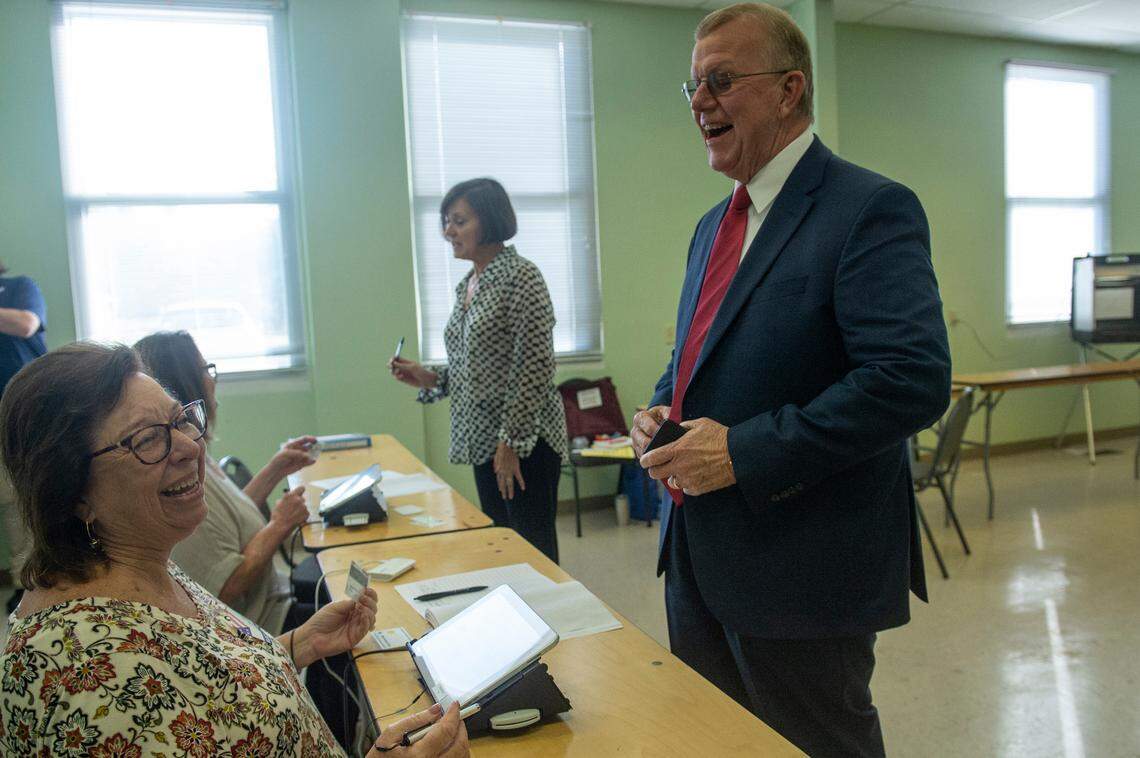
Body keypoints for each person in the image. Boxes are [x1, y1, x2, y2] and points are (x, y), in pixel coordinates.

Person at [631, 5, 951, 757]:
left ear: (788, 90)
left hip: (804, 567)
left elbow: (911, 378)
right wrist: (657, 407)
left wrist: (744, 451)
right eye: (693, 86)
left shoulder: (868, 209)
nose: (700, 102)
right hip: (699, 559)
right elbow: (698, 357)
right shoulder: (713, 225)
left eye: (721, 80)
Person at [0, 342, 468, 757]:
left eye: (182, 420)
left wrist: (294, 646)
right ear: (70, 490)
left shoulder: (139, 564)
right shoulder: (90, 674)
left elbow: (204, 692)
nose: (188, 446)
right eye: (147, 440)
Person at [389, 178, 567, 563]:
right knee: (502, 547)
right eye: (446, 222)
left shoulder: (521, 276)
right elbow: (475, 367)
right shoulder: (468, 285)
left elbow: (535, 366)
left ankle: (550, 622)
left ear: (489, 220)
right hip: (484, 442)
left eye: (459, 221)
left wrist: (510, 444)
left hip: (523, 444)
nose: (448, 231)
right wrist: (428, 376)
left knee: (532, 552)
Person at [134, 330, 314, 635]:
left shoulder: (195, 447)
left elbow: (230, 517)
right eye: (206, 370)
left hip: (277, 601)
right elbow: (227, 586)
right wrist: (280, 525)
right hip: (266, 626)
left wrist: (275, 468)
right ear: (187, 381)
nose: (213, 379)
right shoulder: (179, 474)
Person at [0, 262, 47, 607]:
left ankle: (34, 580)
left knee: (25, 497)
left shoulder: (19, 285)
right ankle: (22, 579)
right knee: (8, 499)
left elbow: (26, 324)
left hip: (25, 410)